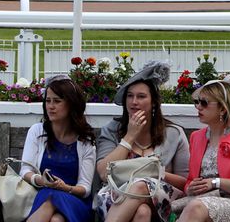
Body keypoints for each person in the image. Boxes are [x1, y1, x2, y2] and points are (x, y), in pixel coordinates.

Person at [95, 60, 190, 222]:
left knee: (140, 185)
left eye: (141, 96)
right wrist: (129, 138)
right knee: (142, 212)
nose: (134, 102)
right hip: (116, 197)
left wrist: (154, 172)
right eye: (130, 96)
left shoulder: (174, 133)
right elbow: (104, 173)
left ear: (153, 102)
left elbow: (186, 183)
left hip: (162, 202)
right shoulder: (111, 130)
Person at [176, 75, 230, 222]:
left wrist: (215, 182)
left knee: (196, 207)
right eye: (197, 102)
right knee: (164, 207)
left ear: (222, 108)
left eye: (204, 103)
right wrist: (190, 188)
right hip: (201, 200)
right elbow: (191, 180)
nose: (198, 107)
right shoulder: (196, 137)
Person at [20, 74, 97, 222]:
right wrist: (41, 181)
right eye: (48, 101)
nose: (50, 106)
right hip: (42, 195)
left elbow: (85, 188)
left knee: (52, 198)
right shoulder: (37, 131)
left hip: (74, 201)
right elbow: (25, 171)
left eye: (57, 101)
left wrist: (64, 187)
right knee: (56, 219)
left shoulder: (85, 140)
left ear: (71, 104)